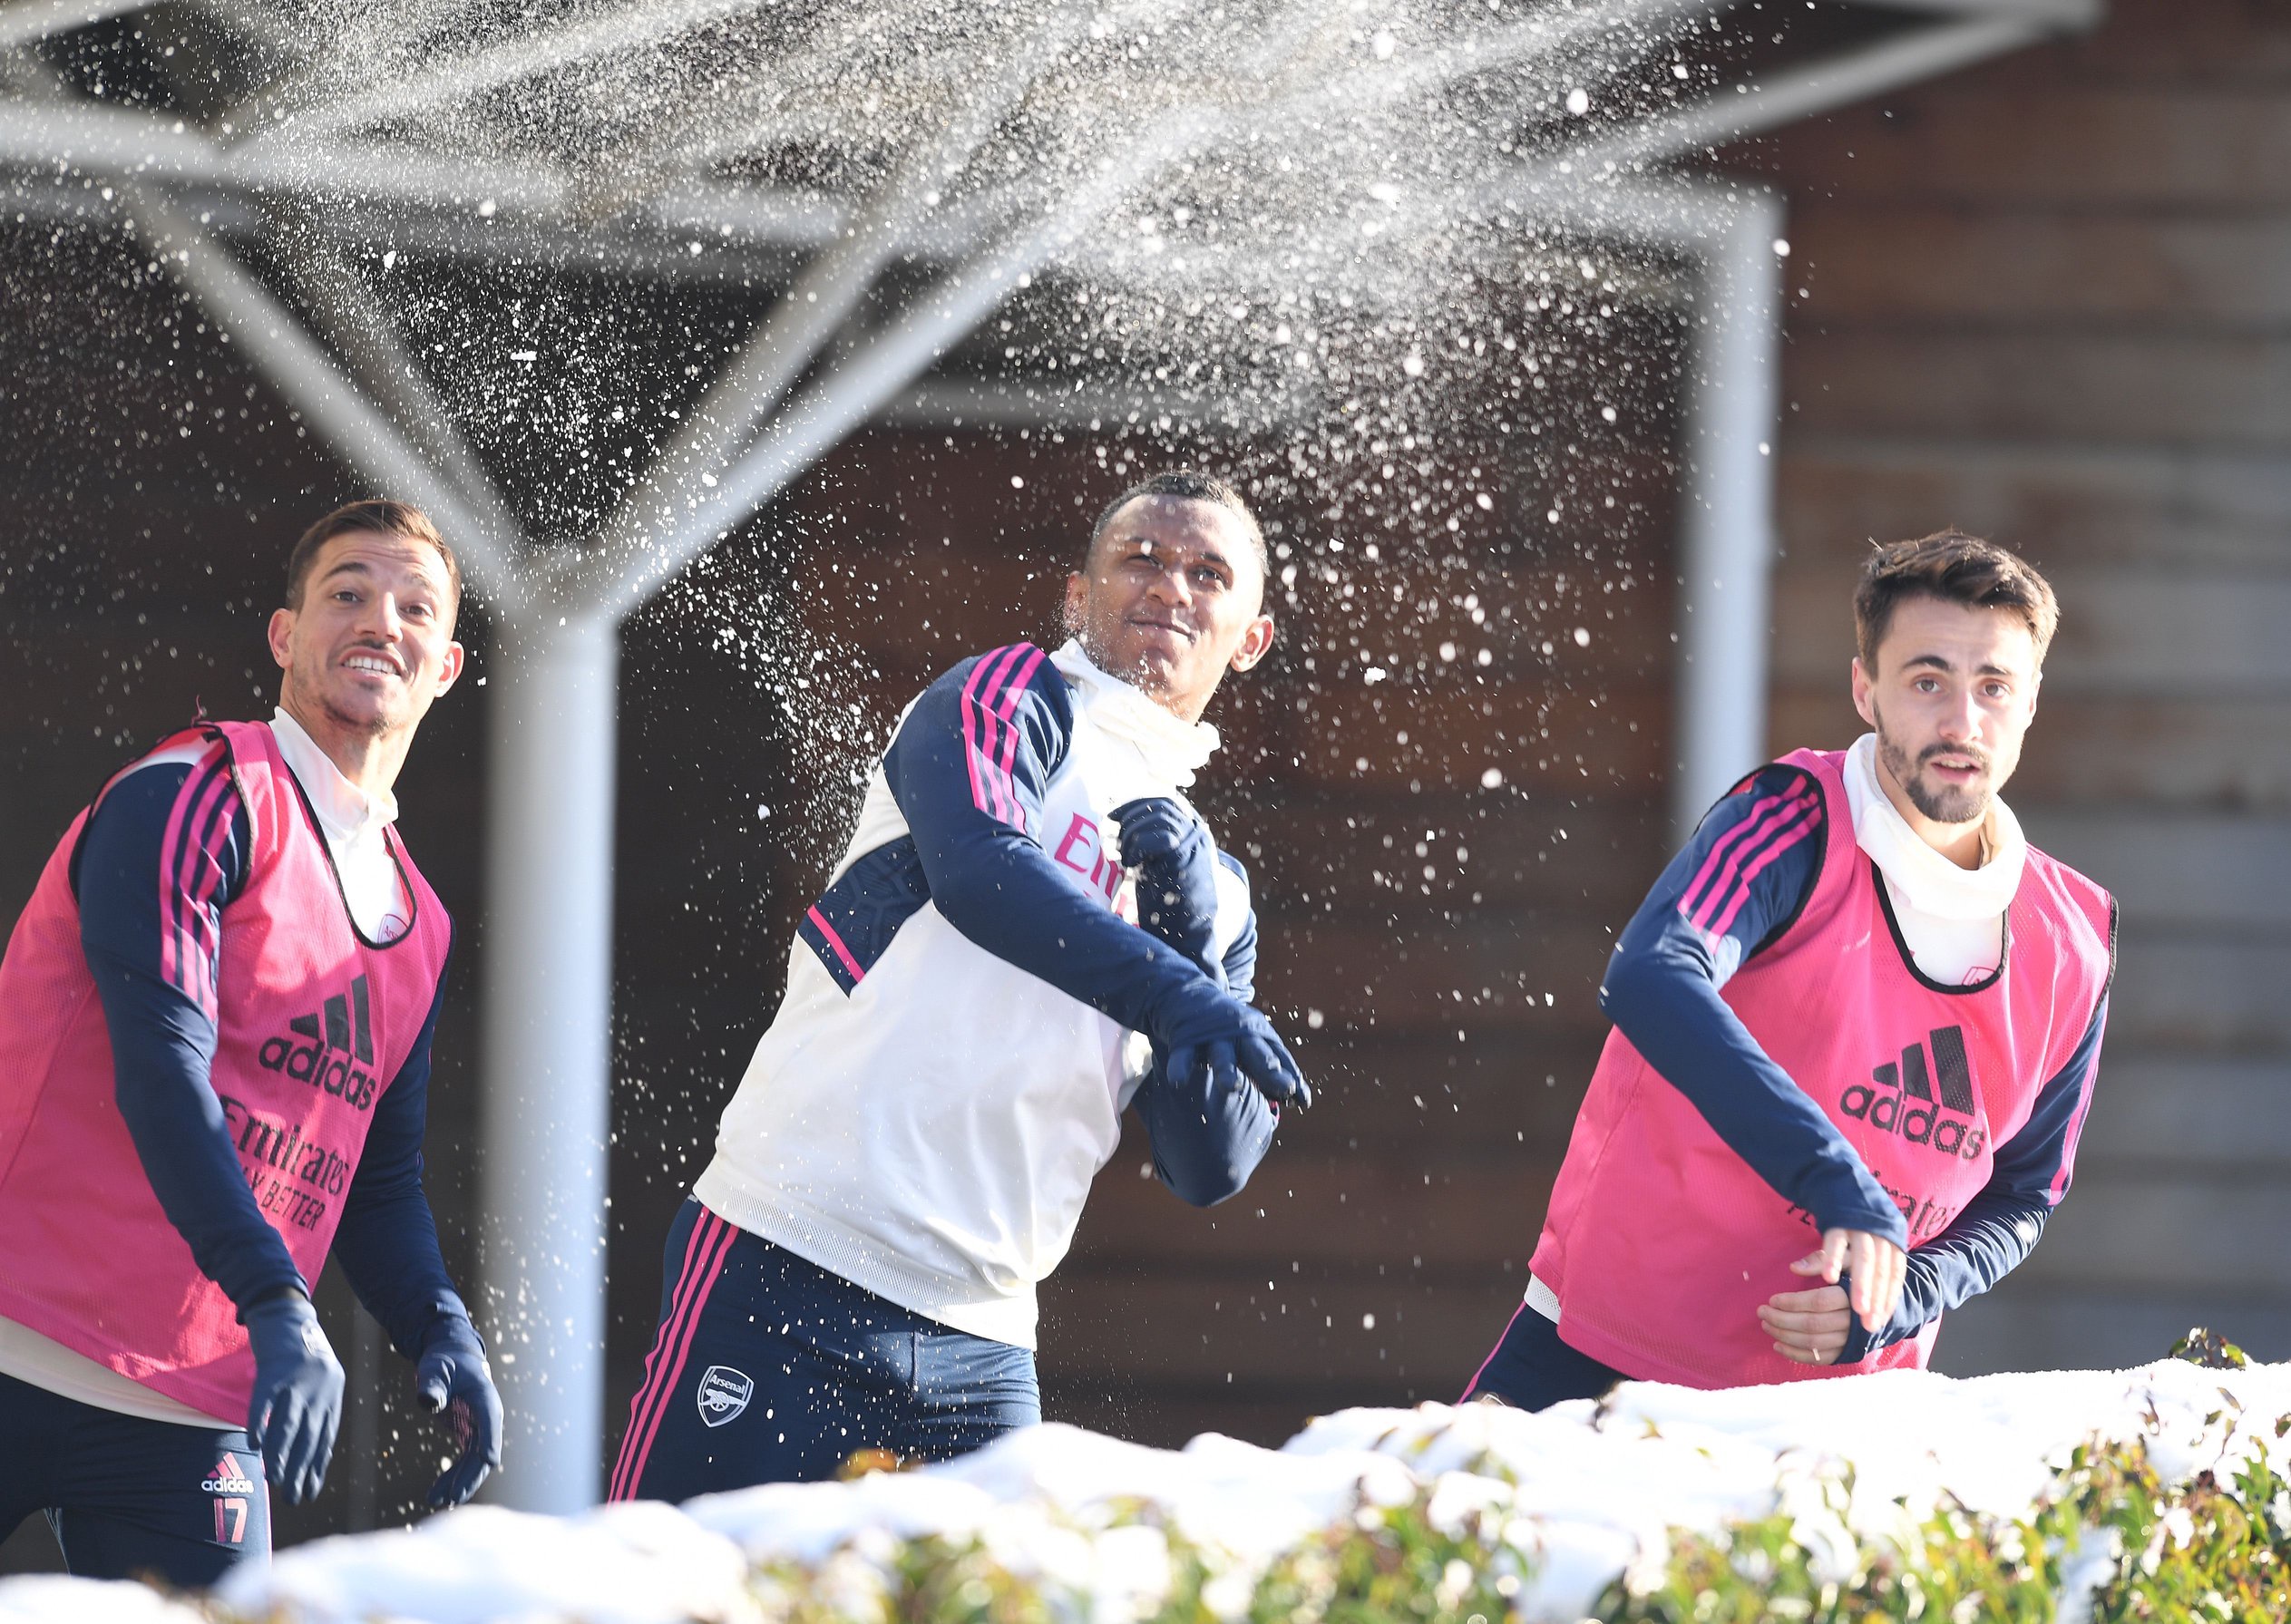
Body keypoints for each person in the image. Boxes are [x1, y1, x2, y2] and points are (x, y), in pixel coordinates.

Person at [610, 470, 1310, 1499]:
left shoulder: (1221, 892)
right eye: (1142, 559)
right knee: (661, 1597)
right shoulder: (1008, 695)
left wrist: (1194, 944)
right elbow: (983, 872)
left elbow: (1210, 1162)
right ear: (1078, 598)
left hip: (983, 1341)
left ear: (1248, 636)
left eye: (1209, 573)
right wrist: (1177, 989)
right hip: (789, 1252)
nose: (1171, 587)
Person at [1465, 529, 2112, 1405]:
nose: (1963, 721)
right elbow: (1654, 972)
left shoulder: (2076, 939)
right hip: (1597, 1362)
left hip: (1839, 1414)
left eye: (1994, 686)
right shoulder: (1795, 818)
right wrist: (1838, 1182)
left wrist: (1907, 1294)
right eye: (1927, 681)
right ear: (1865, 691)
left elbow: (2025, 1195)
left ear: (2031, 702)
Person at [0, 501, 502, 1583]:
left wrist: (437, 1323)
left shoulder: (421, 921)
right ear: (284, 636)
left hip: (191, 1407)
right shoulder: (191, 794)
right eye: (347, 593)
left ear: (448, 666)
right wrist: (276, 1297)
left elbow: (375, 1183)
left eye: (414, 606)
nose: (381, 621)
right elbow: (160, 1065)